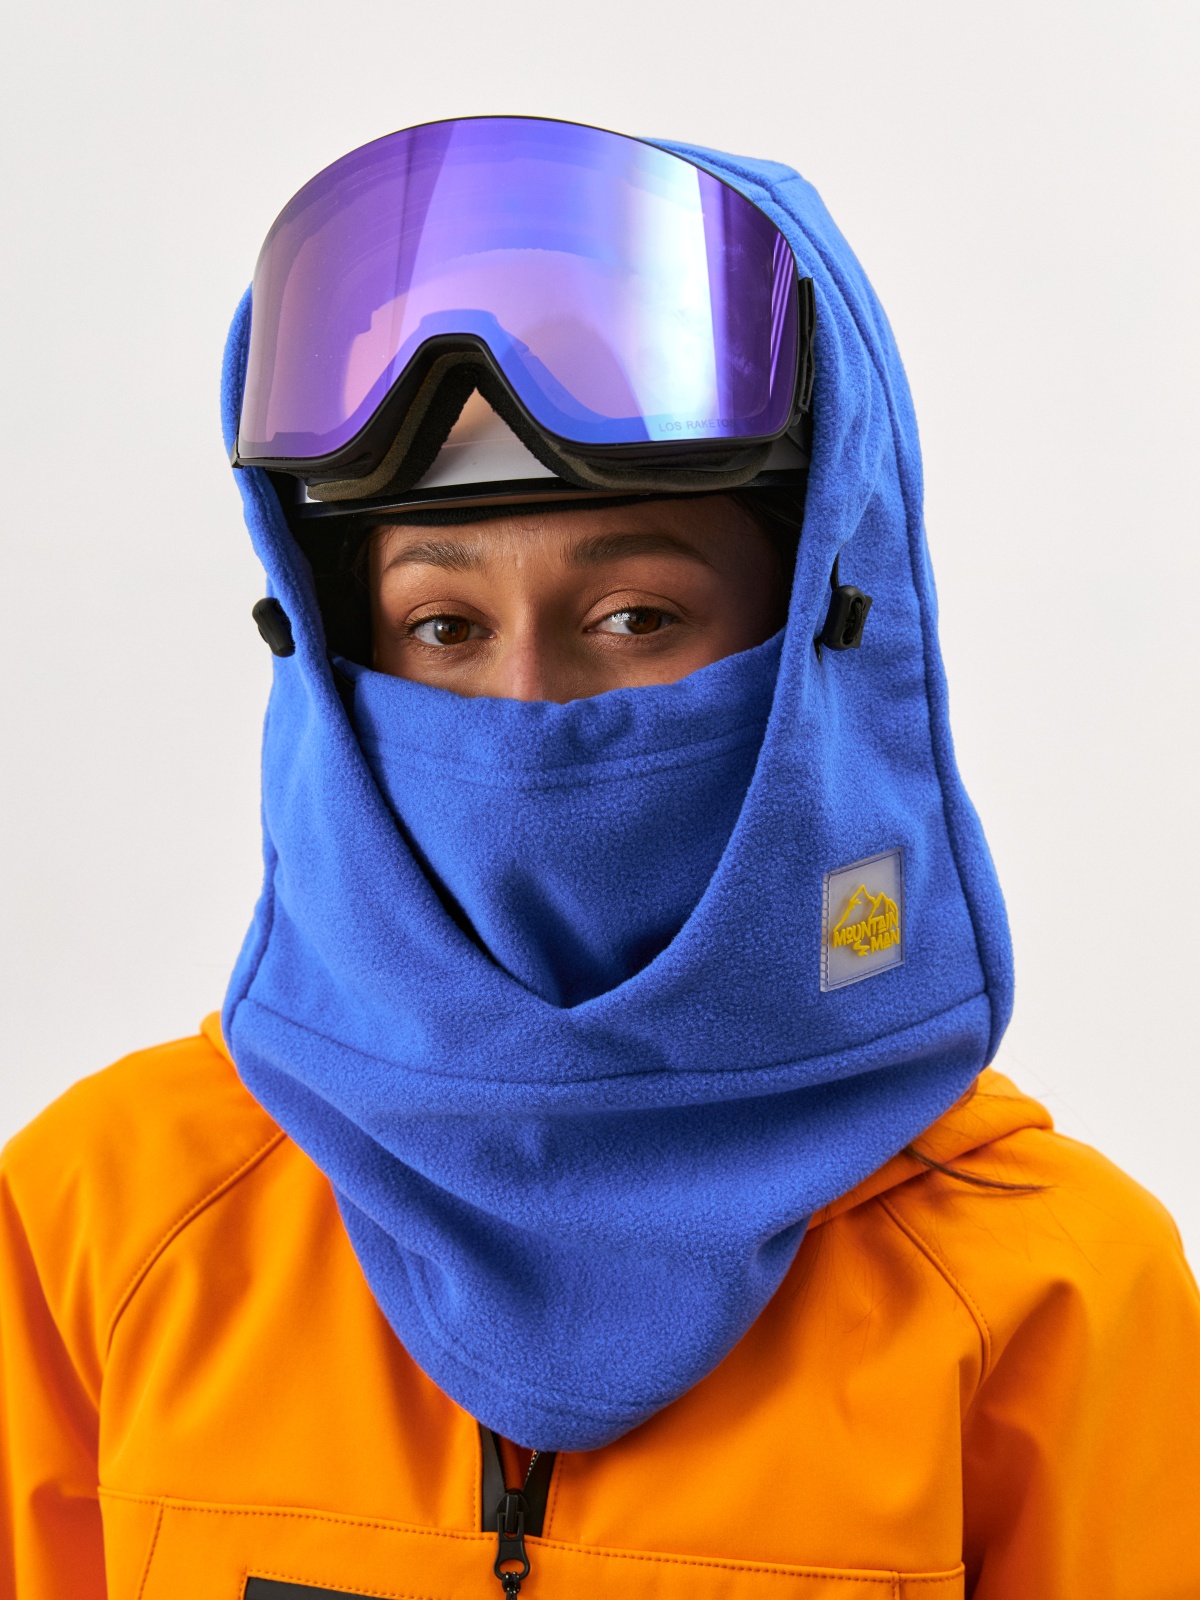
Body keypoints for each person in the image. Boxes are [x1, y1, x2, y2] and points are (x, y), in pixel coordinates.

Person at [1, 116, 1198, 1600]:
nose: (527, 710)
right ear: (328, 659)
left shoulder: (1044, 1292)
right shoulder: (105, 1218)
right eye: (442, 625)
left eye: (637, 616)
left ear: (821, 642)